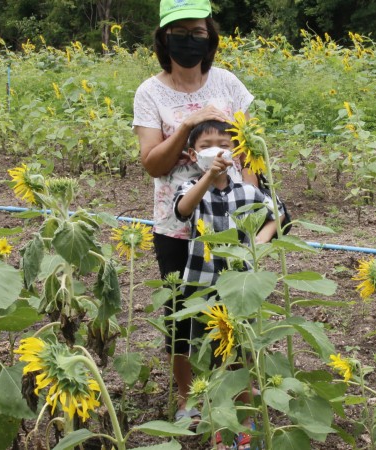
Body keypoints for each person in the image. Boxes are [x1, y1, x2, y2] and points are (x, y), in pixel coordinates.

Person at [132, 0, 254, 427]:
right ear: (164, 38)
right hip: (177, 223)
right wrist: (187, 124)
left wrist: (252, 208)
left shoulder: (228, 83)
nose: (190, 40)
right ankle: (189, 397)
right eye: (180, 32)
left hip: (229, 221)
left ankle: (241, 395)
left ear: (210, 36)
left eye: (198, 32)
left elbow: (249, 148)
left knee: (236, 310)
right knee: (182, 314)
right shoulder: (151, 92)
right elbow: (152, 162)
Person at [174, 120, 277, 450]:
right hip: (201, 286)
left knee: (242, 355)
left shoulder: (247, 191)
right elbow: (183, 209)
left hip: (240, 288)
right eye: (206, 146)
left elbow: (276, 213)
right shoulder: (190, 188)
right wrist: (207, 176)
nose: (216, 150)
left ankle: (245, 424)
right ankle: (217, 424)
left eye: (224, 144)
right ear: (193, 154)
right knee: (207, 356)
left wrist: (260, 241)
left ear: (235, 153)